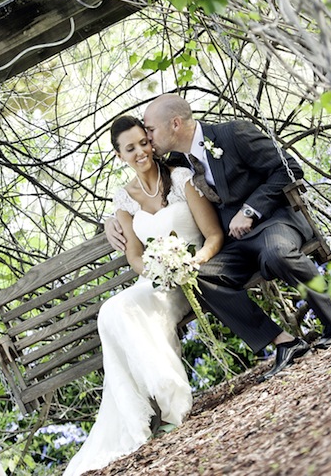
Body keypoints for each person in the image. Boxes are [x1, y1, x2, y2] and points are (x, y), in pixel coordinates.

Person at [107, 94, 331, 382]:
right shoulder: (176, 159)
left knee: (276, 253)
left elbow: (288, 169)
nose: (147, 139)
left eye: (150, 130)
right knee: (200, 279)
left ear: (174, 124)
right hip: (235, 245)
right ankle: (284, 342)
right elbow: (142, 191)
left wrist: (250, 210)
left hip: (273, 223)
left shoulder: (233, 134)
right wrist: (111, 220)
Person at [63, 115, 225, 476]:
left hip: (193, 274)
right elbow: (135, 256)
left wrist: (192, 262)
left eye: (143, 143)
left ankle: (172, 405)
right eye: (130, 148)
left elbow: (212, 234)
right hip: (154, 280)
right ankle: (150, 407)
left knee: (122, 311)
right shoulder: (124, 200)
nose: (141, 152)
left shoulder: (181, 179)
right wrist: (157, 270)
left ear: (151, 142)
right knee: (112, 310)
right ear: (119, 155)